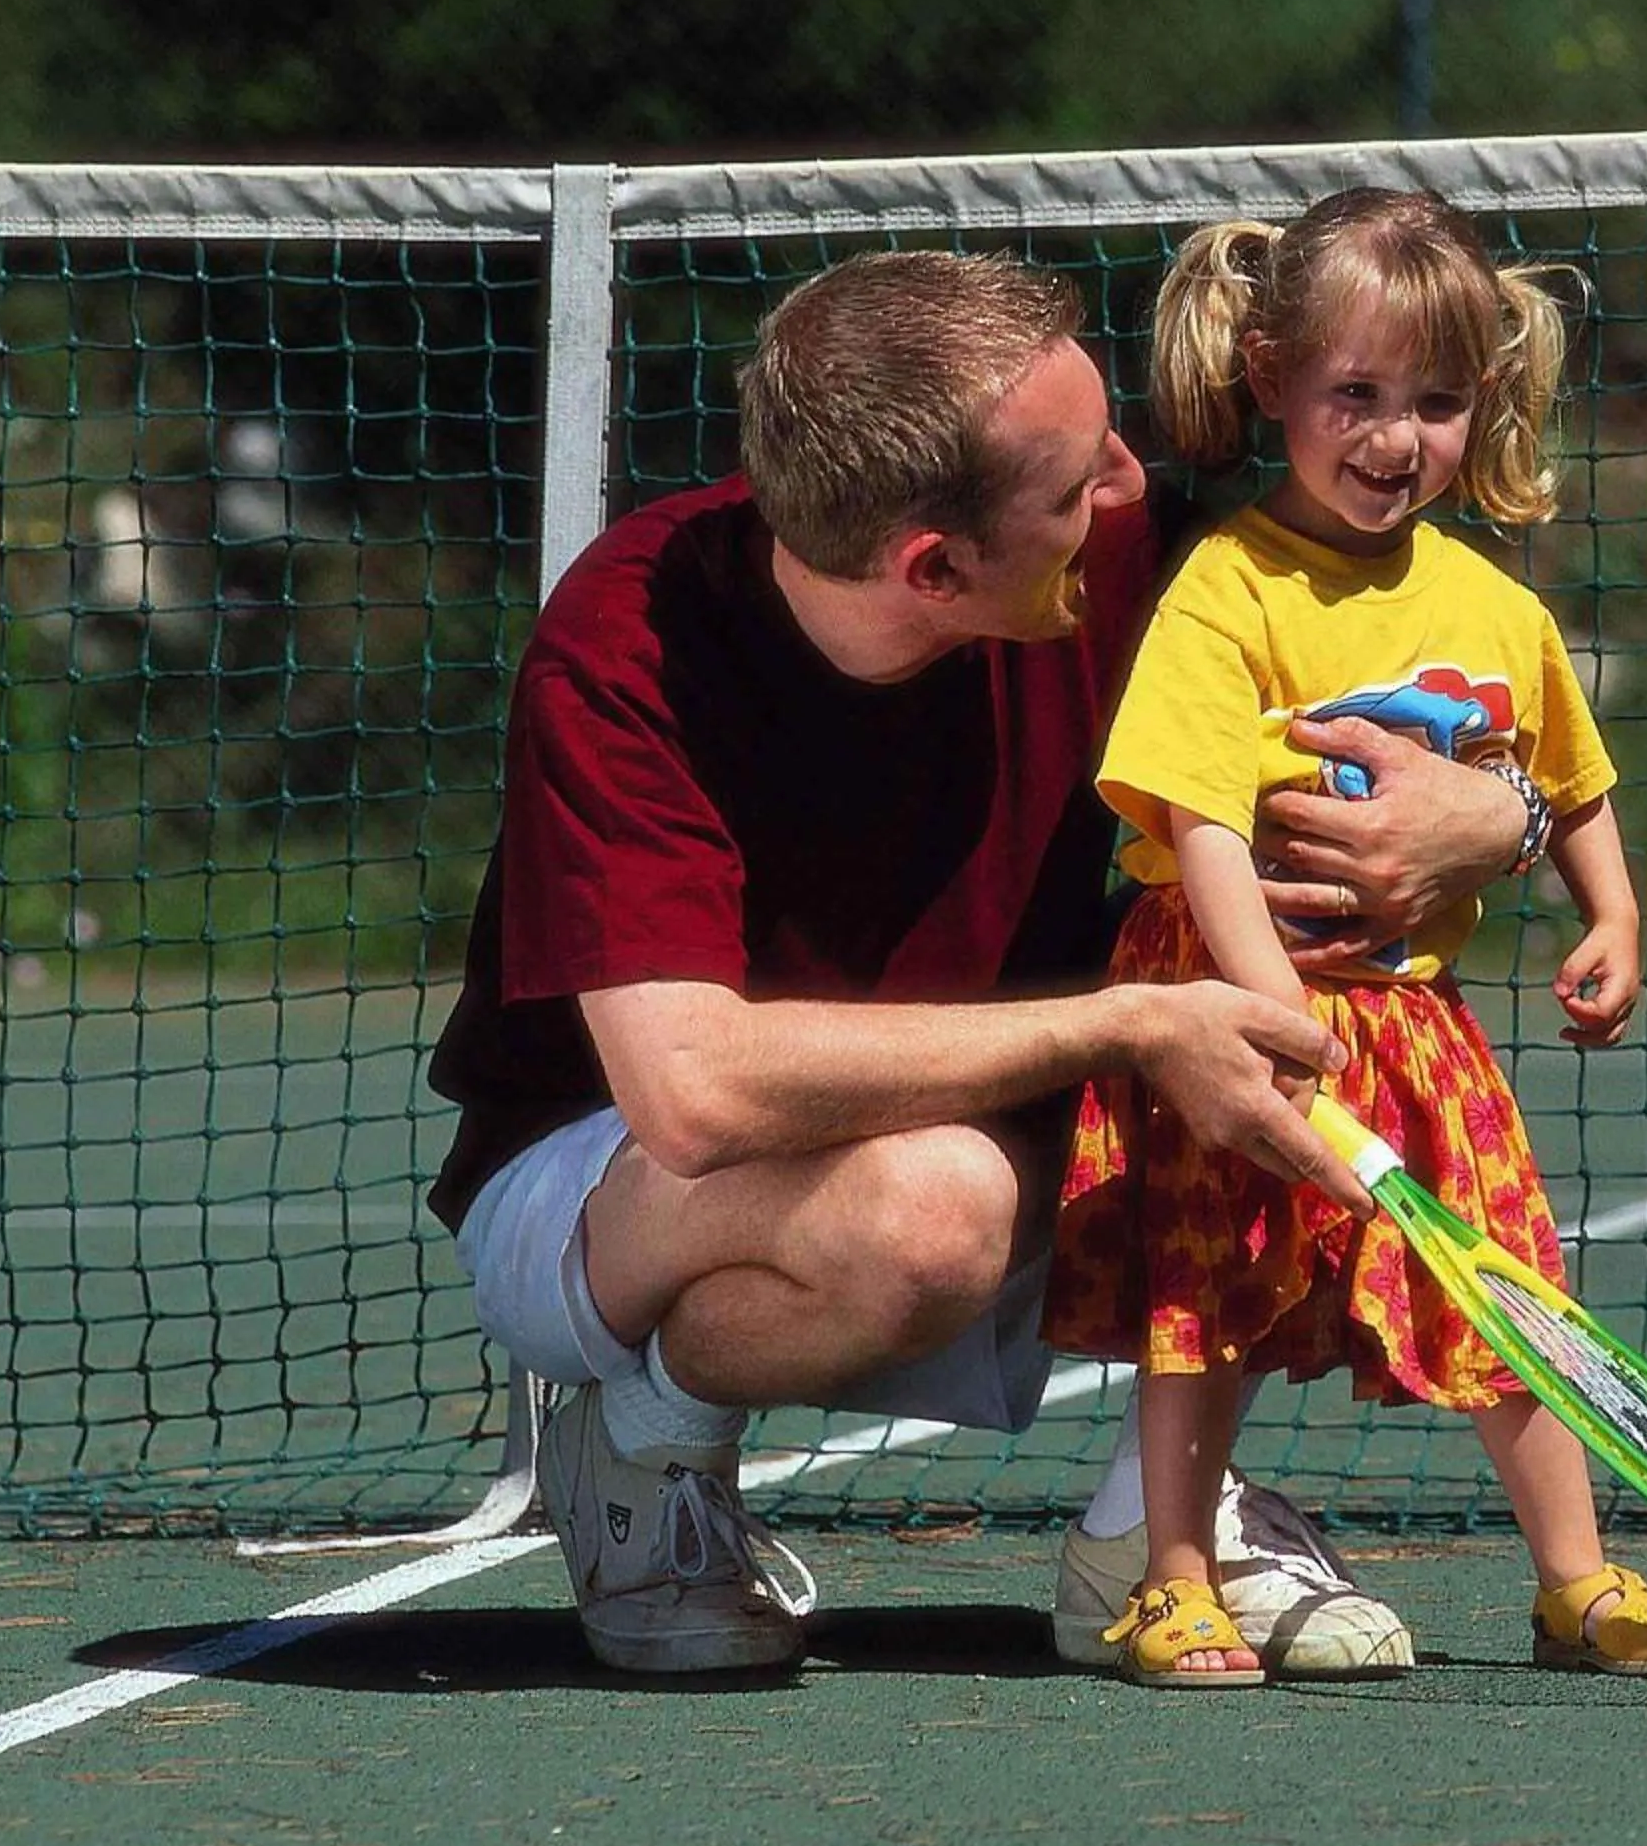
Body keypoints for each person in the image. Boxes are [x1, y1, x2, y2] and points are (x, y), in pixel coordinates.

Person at [425, 247, 1539, 1678]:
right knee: (933, 1200)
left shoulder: (1134, 556)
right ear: (934, 568)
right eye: (1081, 483)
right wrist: (1134, 1021)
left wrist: (1502, 816)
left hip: (1011, 1141)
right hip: (606, 1191)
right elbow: (691, 1095)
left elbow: (1415, 637)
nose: (1133, 484)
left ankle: (1151, 1531)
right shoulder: (628, 639)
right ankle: (643, 1443)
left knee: (1295, 1017)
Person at [1042, 189, 1647, 1686]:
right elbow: (1200, 817)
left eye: (1435, 400)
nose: (1393, 436)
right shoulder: (1227, 585)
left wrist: (1612, 911)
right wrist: (1262, 1001)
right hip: (1226, 1003)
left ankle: (1579, 1582)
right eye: (1354, 394)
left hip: (1414, 1019)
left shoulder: (1491, 597)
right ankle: (1170, 1576)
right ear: (1271, 377)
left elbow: (1564, 776)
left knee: (1512, 1292)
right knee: (1204, 1293)